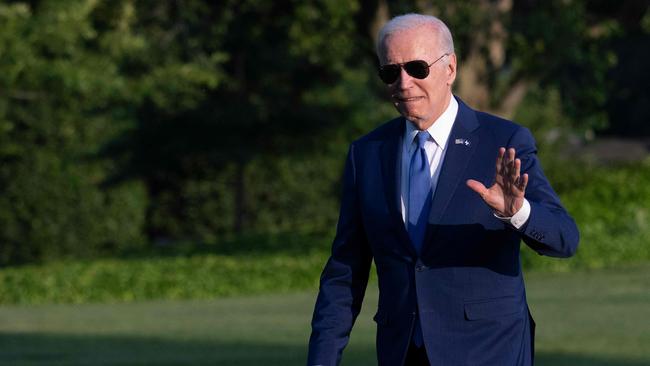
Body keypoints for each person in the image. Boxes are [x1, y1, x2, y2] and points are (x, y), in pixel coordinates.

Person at [307, 13, 579, 366]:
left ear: (449, 68)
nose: (403, 83)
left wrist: (518, 213)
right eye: (391, 72)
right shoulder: (367, 153)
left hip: (488, 350)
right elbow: (346, 270)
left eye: (417, 68)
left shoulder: (503, 140)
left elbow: (565, 238)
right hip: (402, 352)